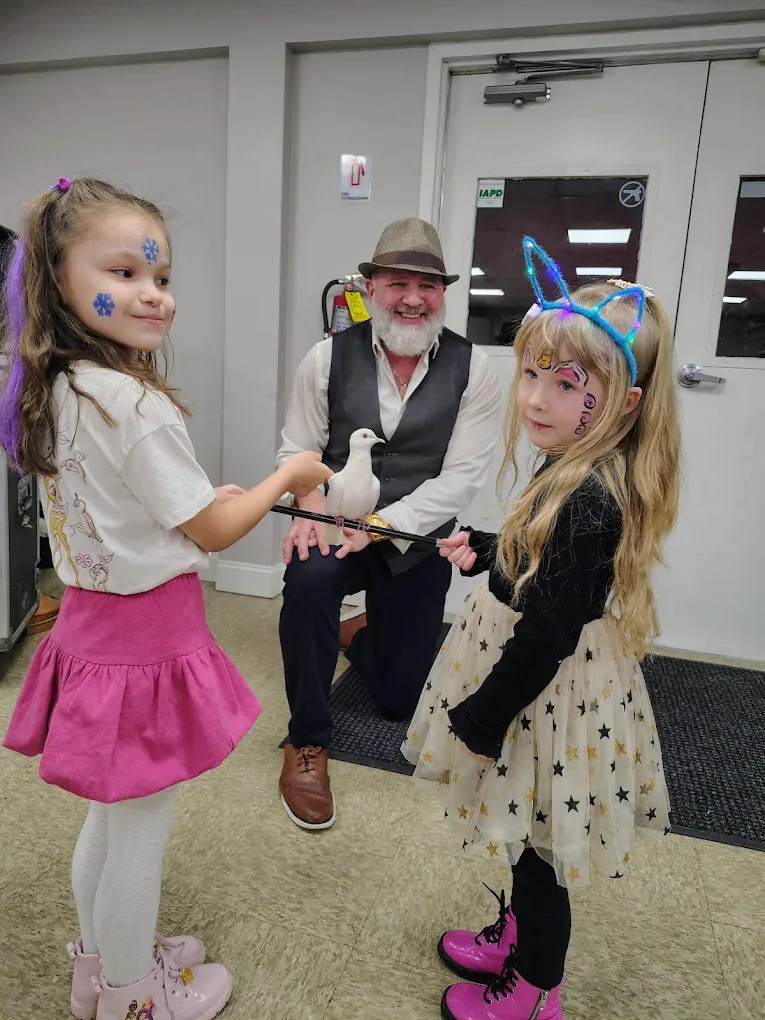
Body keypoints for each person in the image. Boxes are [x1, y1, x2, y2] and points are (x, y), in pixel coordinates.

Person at [0, 177, 331, 1020]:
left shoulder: (60, 385)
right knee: (140, 835)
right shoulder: (134, 400)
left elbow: (126, 504)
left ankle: (97, 967)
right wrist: (287, 476)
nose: (153, 293)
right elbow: (214, 532)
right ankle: (131, 998)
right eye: (124, 272)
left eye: (160, 276)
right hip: (144, 642)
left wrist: (197, 502)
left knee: (109, 819)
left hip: (90, 625)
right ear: (58, 280)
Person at [402, 236, 679, 1020]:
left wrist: (483, 716)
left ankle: (533, 990)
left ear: (623, 403)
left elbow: (548, 631)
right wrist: (491, 551)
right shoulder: (571, 464)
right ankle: (519, 940)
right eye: (531, 373)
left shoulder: (589, 499)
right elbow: (545, 570)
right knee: (522, 823)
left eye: (566, 384)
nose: (535, 398)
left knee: (539, 852)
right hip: (544, 683)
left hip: (543, 691)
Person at [276, 217, 501, 830]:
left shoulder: (475, 369)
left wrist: (380, 525)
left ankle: (356, 635)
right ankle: (306, 739)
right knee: (308, 584)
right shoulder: (325, 358)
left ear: (443, 294)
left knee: (399, 700)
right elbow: (297, 450)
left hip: (413, 537)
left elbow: (461, 479)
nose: (412, 298)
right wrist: (310, 505)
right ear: (370, 287)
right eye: (398, 282)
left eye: (427, 285)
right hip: (333, 522)